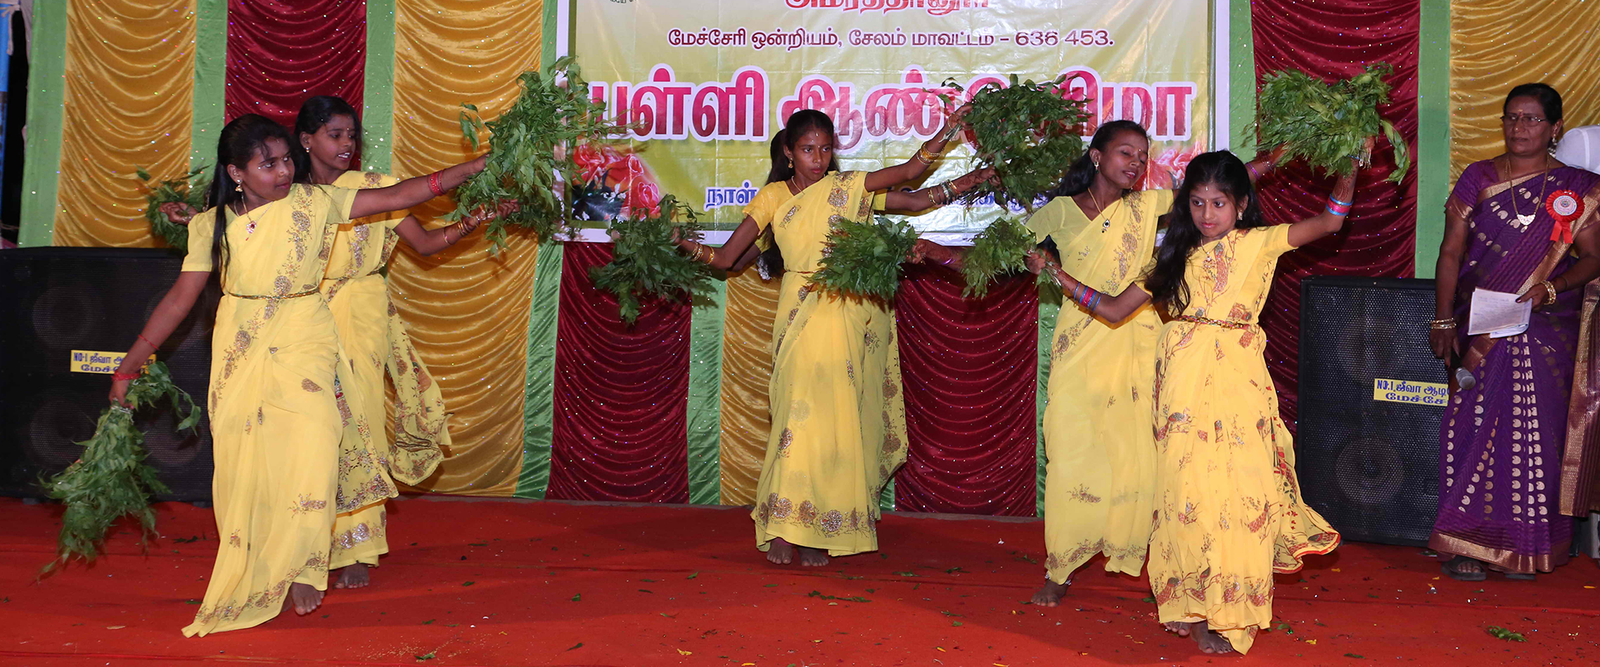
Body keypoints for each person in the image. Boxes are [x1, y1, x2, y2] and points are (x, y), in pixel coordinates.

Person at [107, 114, 493, 636]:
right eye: (268, 164)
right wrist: (129, 365)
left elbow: (400, 195)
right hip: (242, 344)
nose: (285, 171)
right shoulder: (210, 225)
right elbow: (179, 301)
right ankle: (279, 566)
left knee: (317, 447)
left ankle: (307, 565)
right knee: (252, 465)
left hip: (306, 333)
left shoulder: (315, 203)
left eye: (287, 159)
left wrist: (475, 167)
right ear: (237, 173)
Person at [1026, 148, 1362, 654]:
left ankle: (1226, 608)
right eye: (1198, 203)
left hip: (1237, 383)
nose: (1207, 214)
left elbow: (1329, 223)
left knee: (1237, 495)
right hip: (1182, 384)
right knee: (1187, 495)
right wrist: (1055, 271)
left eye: (1219, 203)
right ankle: (1194, 606)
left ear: (1241, 205)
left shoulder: (1258, 242)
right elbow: (1113, 309)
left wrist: (1349, 166)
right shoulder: (1174, 257)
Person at [677, 109, 992, 566]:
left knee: (836, 423)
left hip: (846, 315)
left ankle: (818, 528)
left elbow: (912, 182)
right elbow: (726, 260)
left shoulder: (847, 189)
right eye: (808, 149)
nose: (818, 158)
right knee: (796, 421)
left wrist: (954, 136)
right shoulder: (772, 197)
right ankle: (784, 526)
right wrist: (680, 241)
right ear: (789, 152)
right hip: (799, 317)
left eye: (826, 149)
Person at [1025, 121, 1284, 607]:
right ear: (1097, 156)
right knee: (1070, 449)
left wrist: (1292, 147)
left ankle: (1160, 564)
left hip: (1141, 343)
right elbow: (1003, 252)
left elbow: (1225, 183)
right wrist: (941, 253)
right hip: (1080, 341)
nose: (1136, 163)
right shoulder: (1058, 211)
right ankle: (1059, 567)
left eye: (1143, 156)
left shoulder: (1148, 205)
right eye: (1126, 152)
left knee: (1139, 457)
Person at [293, 96, 507, 589]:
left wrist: (476, 218)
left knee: (360, 423)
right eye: (334, 135)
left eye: (351, 136)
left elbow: (427, 244)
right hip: (303, 318)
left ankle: (357, 547)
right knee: (310, 427)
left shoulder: (375, 189)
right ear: (306, 140)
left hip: (359, 315)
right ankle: (306, 541)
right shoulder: (289, 195)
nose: (346, 144)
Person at [1429, 83, 1600, 582]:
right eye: (1511, 118)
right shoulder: (1479, 177)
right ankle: (1467, 545)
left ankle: (1525, 548)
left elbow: (1594, 257)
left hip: (1546, 330)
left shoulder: (1577, 188)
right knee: (1472, 428)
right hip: (1479, 324)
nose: (1518, 127)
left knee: (1537, 435)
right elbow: (1450, 253)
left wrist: (1552, 288)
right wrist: (1442, 318)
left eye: (1530, 119)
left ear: (1555, 128)